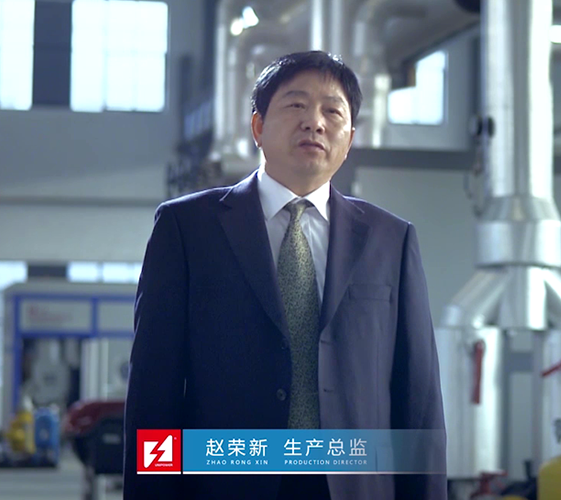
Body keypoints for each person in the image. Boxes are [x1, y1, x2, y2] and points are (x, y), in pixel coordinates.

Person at [123, 51, 447, 500]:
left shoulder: (390, 239)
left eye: (333, 112)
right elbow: (153, 387)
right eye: (296, 105)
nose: (314, 123)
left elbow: (419, 397)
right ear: (258, 126)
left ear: (350, 138)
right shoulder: (188, 228)